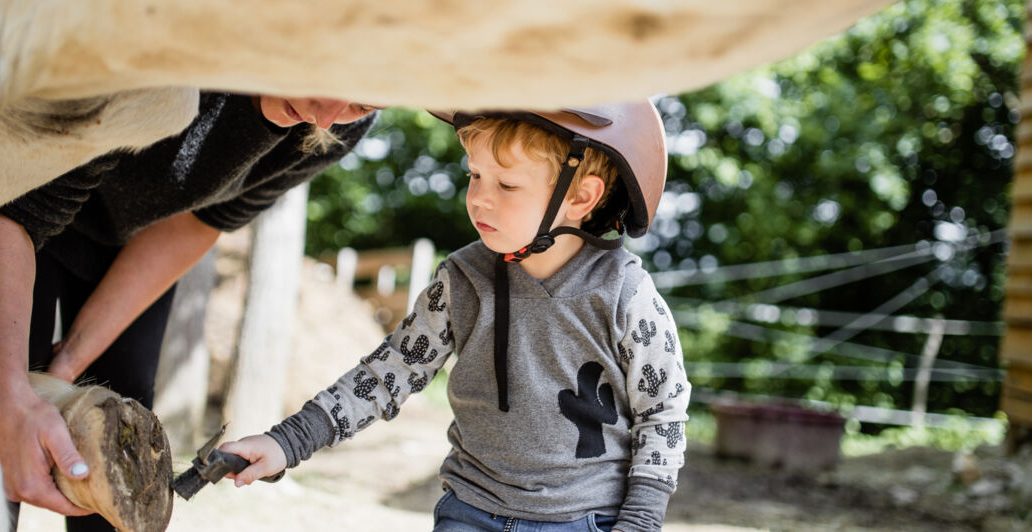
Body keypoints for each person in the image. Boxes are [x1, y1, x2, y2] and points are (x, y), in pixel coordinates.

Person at [221, 100, 690, 532]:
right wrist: (288, 442)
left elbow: (663, 410)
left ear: (581, 197)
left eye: (506, 184)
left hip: (585, 519)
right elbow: (389, 373)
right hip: (470, 512)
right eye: (475, 175)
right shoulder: (462, 281)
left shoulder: (626, 296)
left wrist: (640, 523)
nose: (480, 198)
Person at [0, 93, 377, 531]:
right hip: (15, 202)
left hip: (136, 235)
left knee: (124, 429)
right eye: (327, 83)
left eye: (359, 105)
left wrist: (72, 359)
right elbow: (15, 205)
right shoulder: (165, 72)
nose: (326, 118)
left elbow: (198, 222)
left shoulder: (340, 126)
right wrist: (6, 393)